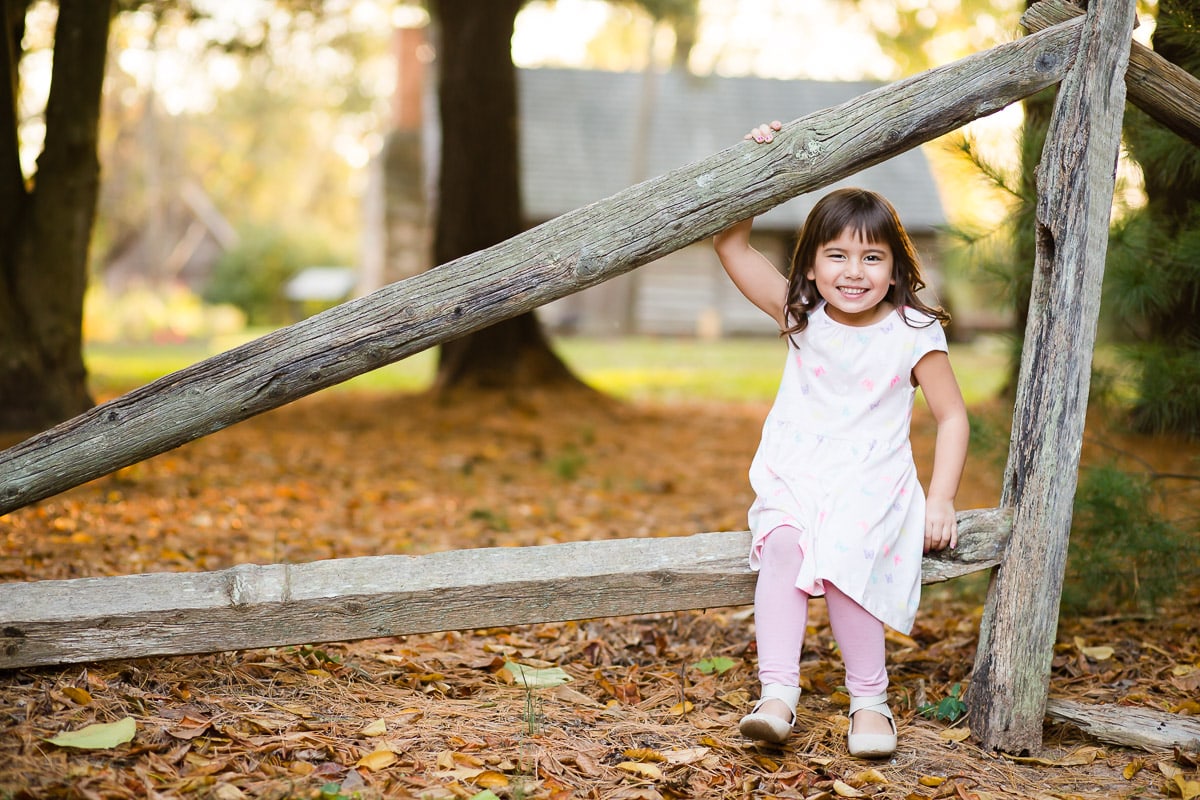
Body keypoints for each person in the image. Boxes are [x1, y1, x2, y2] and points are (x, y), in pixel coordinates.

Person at [712, 121, 969, 758]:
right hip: (797, 470)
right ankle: (777, 696)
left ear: (895, 267)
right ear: (811, 264)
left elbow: (953, 417)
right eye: (836, 255)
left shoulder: (913, 331)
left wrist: (940, 501)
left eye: (871, 257)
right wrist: (759, 160)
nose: (853, 272)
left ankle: (870, 702)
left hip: (873, 476)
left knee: (850, 560)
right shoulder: (800, 314)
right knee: (785, 549)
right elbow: (732, 245)